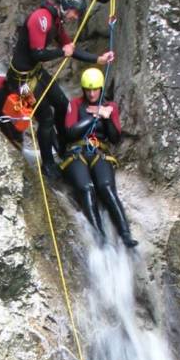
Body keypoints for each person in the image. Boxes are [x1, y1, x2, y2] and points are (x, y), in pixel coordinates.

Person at [0, 0, 114, 174]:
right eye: (75, 12)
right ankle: (47, 163)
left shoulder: (56, 21)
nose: (75, 16)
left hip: (35, 73)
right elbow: (37, 53)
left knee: (63, 105)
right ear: (66, 7)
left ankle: (62, 146)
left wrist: (98, 59)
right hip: (20, 81)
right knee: (45, 118)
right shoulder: (41, 19)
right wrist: (61, 52)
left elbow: (70, 48)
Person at [59, 68, 137, 248]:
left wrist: (107, 117)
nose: (92, 93)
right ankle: (99, 237)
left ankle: (125, 234)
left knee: (107, 188)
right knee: (87, 188)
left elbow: (115, 138)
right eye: (88, 89)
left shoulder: (110, 107)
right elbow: (70, 132)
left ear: (101, 88)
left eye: (95, 89)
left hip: (99, 152)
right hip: (76, 153)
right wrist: (94, 116)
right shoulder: (75, 105)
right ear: (83, 89)